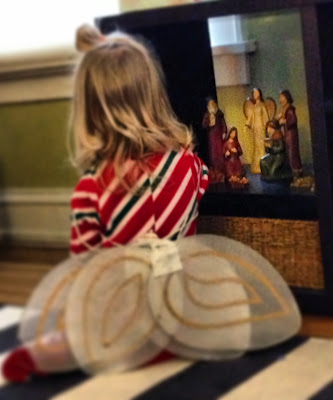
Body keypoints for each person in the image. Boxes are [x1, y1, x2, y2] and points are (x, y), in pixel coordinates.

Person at [1, 24, 209, 383]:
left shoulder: (92, 190)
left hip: (121, 320)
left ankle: (116, 345)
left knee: (60, 335)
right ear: (154, 95)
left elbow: (84, 274)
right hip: (182, 309)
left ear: (91, 112)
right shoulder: (193, 166)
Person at [278, 89, 303, 179]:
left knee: (292, 153)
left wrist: (284, 121)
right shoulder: (285, 109)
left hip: (291, 135)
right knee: (289, 152)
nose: (281, 99)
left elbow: (292, 120)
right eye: (280, 98)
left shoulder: (290, 109)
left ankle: (296, 172)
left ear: (287, 98)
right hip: (287, 134)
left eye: (282, 97)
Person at [244, 88, 270, 174]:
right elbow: (251, 117)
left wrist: (267, 127)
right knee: (256, 146)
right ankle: (256, 165)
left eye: (256, 93)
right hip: (255, 128)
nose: (255, 95)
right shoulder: (254, 106)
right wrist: (246, 125)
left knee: (261, 146)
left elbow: (266, 117)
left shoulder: (262, 105)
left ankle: (263, 165)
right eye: (254, 93)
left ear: (259, 94)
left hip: (261, 128)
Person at [201, 97, 227, 180]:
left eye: (213, 103)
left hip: (219, 135)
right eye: (210, 104)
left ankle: (223, 171)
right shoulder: (207, 114)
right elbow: (204, 125)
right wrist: (209, 122)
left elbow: (223, 124)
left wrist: (224, 132)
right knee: (213, 153)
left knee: (220, 152)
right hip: (212, 136)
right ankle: (216, 171)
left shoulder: (219, 113)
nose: (212, 105)